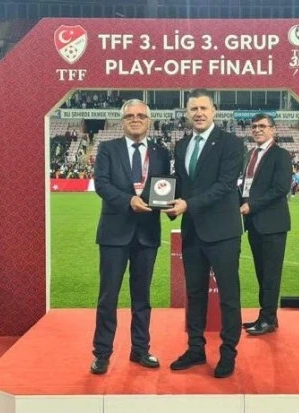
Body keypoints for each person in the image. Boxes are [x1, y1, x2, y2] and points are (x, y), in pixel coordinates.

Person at [164, 89, 244, 379]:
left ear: (214, 111)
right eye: (193, 109)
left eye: (203, 108)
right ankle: (195, 349)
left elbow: (225, 185)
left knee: (229, 296)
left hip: (223, 232)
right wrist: (167, 202)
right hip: (193, 231)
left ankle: (228, 352)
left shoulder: (232, 143)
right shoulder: (182, 145)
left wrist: (187, 204)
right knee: (195, 293)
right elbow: (182, 183)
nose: (198, 113)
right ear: (187, 113)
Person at [90, 99, 171, 375]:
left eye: (140, 116)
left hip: (147, 233)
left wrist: (169, 204)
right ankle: (102, 353)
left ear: (149, 121)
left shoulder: (161, 152)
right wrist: (129, 200)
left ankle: (140, 349)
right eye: (129, 116)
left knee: (142, 296)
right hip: (114, 233)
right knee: (108, 296)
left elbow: (165, 186)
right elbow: (101, 184)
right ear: (122, 121)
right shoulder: (107, 149)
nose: (135, 120)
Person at [239, 114, 292, 336]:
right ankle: (267, 316)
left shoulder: (281, 155)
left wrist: (251, 205)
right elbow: (245, 186)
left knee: (271, 273)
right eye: (254, 126)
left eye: (262, 126)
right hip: (254, 223)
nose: (257, 129)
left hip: (272, 223)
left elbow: (280, 189)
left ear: (273, 129)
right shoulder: (250, 154)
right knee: (262, 272)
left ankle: (268, 319)